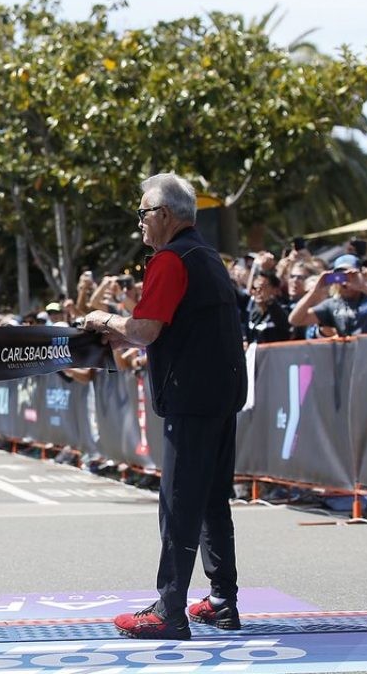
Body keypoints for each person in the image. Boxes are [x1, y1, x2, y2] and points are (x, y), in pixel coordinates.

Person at [82, 173, 247, 640]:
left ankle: (169, 609)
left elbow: (147, 328)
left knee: (178, 503)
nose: (139, 221)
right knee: (212, 501)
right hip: (221, 394)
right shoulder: (206, 255)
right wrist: (124, 333)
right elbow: (173, 326)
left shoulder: (171, 258)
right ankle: (222, 601)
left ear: (165, 214)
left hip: (191, 398)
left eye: (143, 212)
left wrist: (104, 319)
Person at [287, 253, 367, 337]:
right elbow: (295, 320)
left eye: (350, 276)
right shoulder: (332, 305)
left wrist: (365, 286)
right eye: (340, 276)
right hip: (354, 361)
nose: (345, 282)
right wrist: (314, 292)